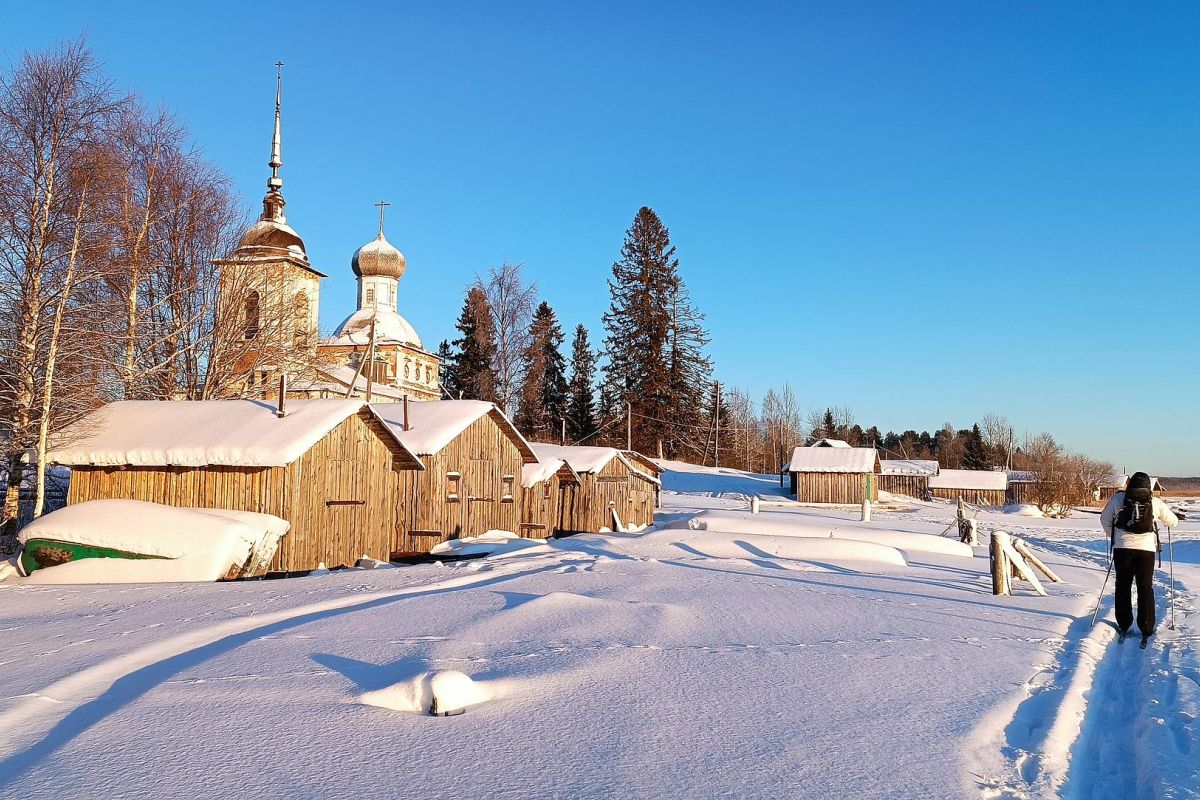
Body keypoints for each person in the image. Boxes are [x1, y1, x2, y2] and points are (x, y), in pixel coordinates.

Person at [1099, 472, 1179, 643]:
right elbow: (1173, 522)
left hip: (1122, 548)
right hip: (1146, 550)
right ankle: (1147, 627)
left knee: (1123, 585)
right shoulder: (1155, 502)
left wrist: (1115, 537)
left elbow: (1104, 520)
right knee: (1145, 587)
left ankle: (1124, 623)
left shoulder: (1117, 499)